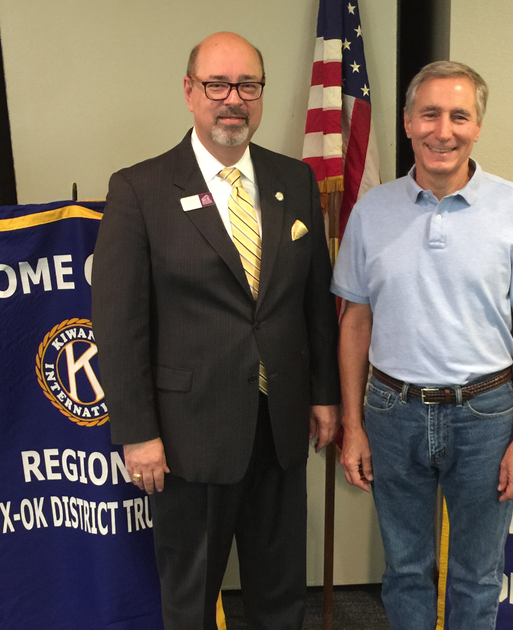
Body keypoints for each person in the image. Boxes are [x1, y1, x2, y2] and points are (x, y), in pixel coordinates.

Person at [91, 31, 341, 630]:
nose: (234, 99)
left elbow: (314, 301)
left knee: (281, 594)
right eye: (218, 85)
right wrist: (136, 433)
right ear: (189, 91)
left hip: (280, 426)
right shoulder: (139, 189)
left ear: (260, 94)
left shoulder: (296, 181)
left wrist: (325, 393)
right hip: (186, 438)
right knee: (191, 598)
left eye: (248, 85)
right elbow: (119, 324)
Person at [331, 60, 513, 629]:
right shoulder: (371, 210)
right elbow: (355, 324)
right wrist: (354, 426)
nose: (443, 130)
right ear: (408, 122)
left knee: (478, 576)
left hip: (484, 416)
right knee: (405, 570)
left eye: (460, 116)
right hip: (391, 411)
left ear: (478, 126)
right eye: (429, 114)